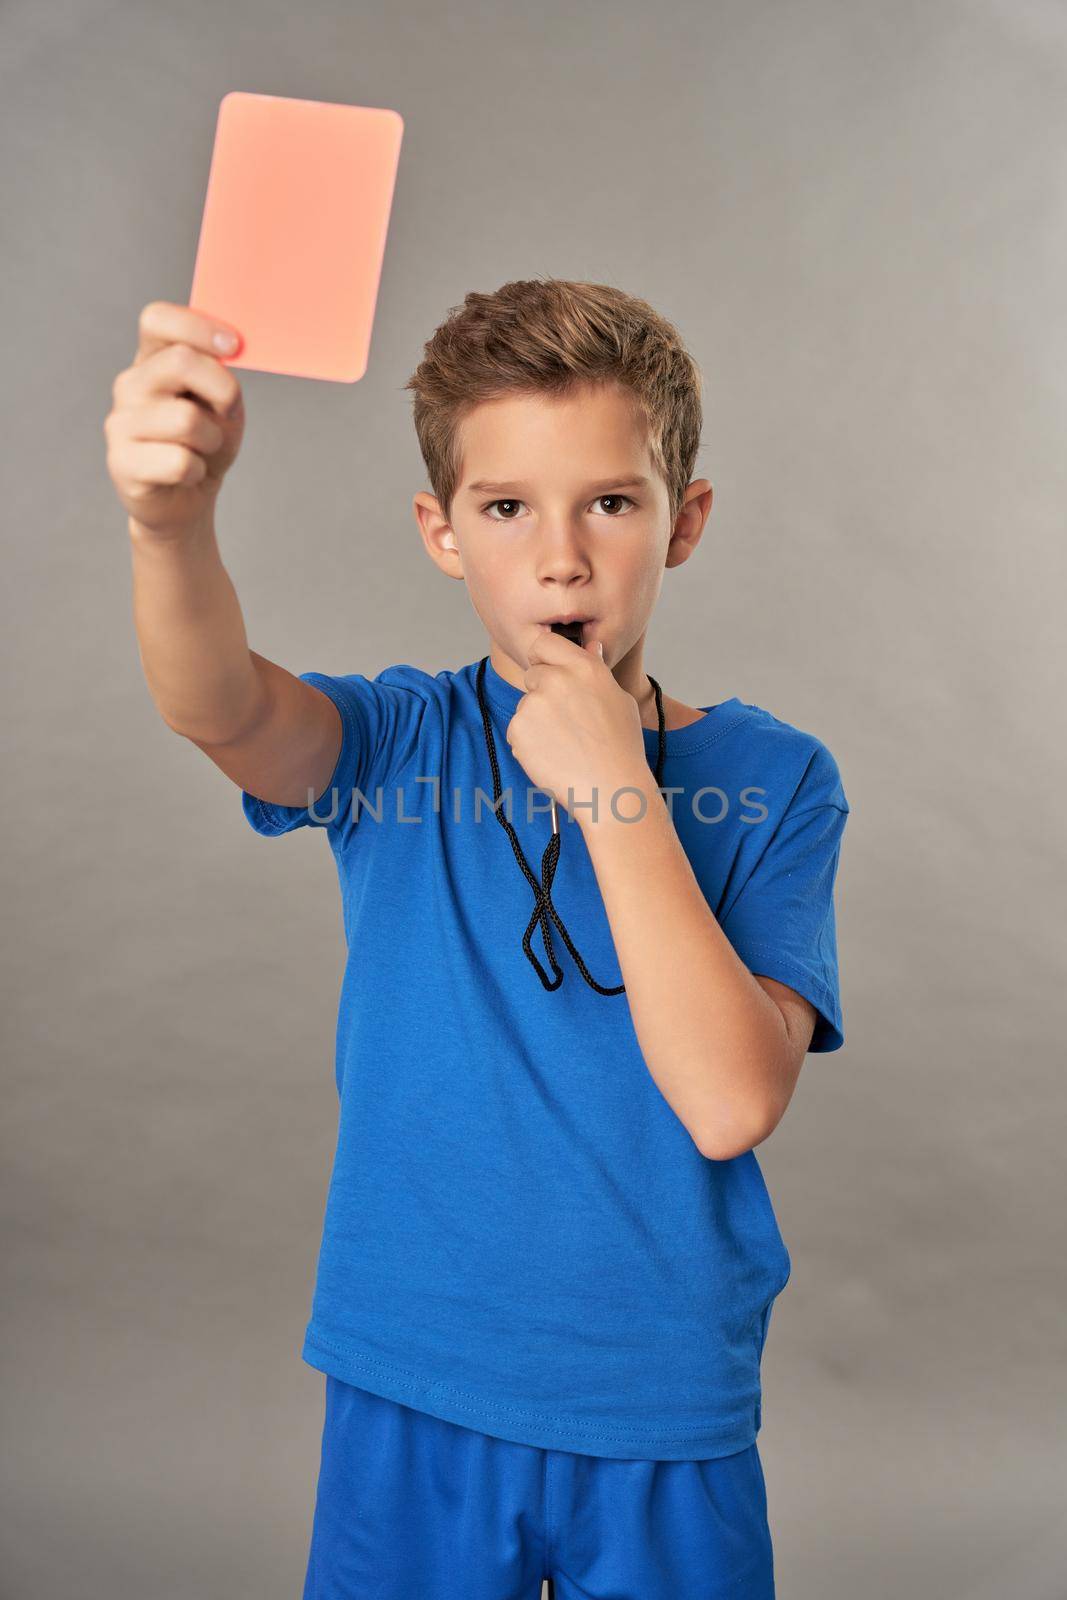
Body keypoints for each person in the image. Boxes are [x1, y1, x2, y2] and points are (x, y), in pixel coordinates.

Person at [105, 278, 849, 1599]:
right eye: (506, 508)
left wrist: (620, 793)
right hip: (418, 1377)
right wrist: (170, 523)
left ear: (686, 524)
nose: (561, 557)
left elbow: (732, 1101)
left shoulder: (776, 776)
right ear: (442, 532)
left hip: (660, 1397)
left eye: (611, 503)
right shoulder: (399, 742)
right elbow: (218, 705)